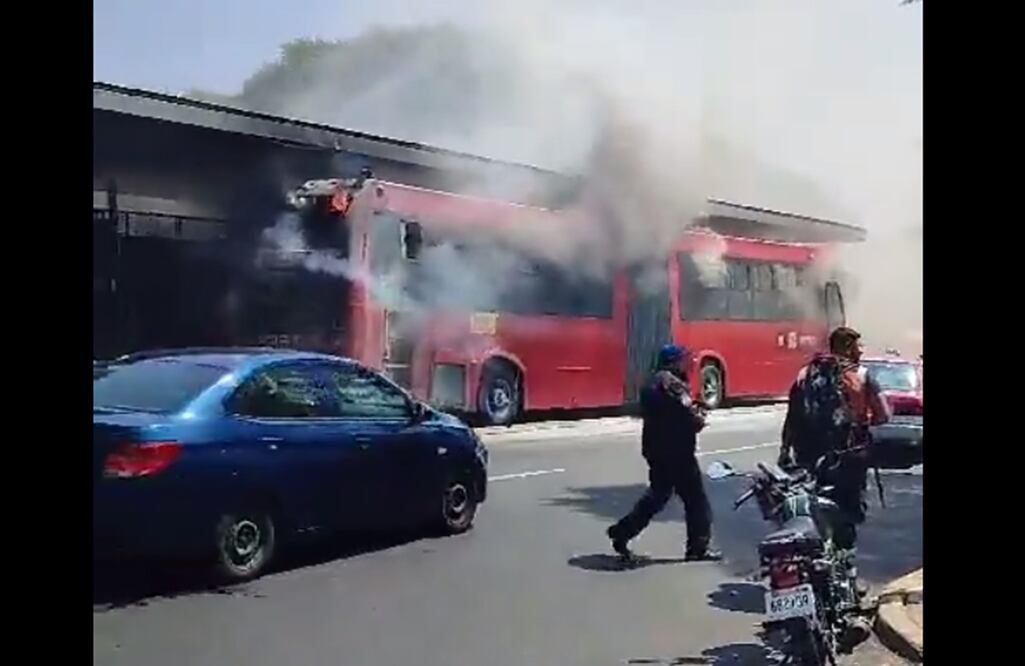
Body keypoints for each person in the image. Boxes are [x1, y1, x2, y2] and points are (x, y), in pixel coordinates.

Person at [777, 326, 891, 598]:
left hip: (809, 460)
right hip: (848, 460)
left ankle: (812, 570)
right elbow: (884, 414)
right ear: (848, 346)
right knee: (847, 517)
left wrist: (784, 450)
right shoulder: (861, 376)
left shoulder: (805, 374)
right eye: (858, 346)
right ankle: (848, 580)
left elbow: (792, 417)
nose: (861, 351)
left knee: (811, 513)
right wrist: (862, 421)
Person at [607, 344, 721, 561]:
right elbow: (690, 416)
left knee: (658, 496)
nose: (687, 364)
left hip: (654, 450)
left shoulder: (651, 382)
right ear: (674, 361)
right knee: (696, 501)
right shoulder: (674, 384)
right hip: (678, 453)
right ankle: (698, 548)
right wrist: (699, 417)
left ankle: (623, 531)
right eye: (683, 360)